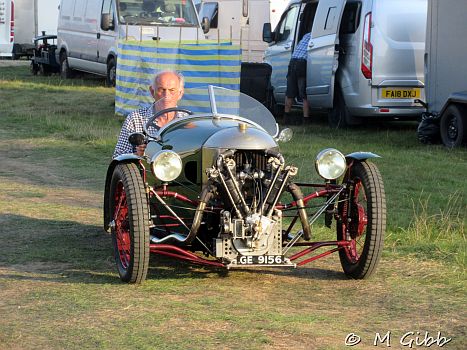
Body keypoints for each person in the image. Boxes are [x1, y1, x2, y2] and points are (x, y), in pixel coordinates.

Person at [113, 70, 185, 158]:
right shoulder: (136, 119)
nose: (166, 95)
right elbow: (117, 157)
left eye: (172, 90)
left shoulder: (187, 121)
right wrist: (137, 155)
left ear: (180, 93)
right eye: (161, 89)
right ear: (152, 91)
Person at [283, 32, 311, 125]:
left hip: (292, 61)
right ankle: (306, 120)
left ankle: (286, 118)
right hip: (302, 63)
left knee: (289, 93)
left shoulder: (306, 35)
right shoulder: (318, 36)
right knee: (304, 95)